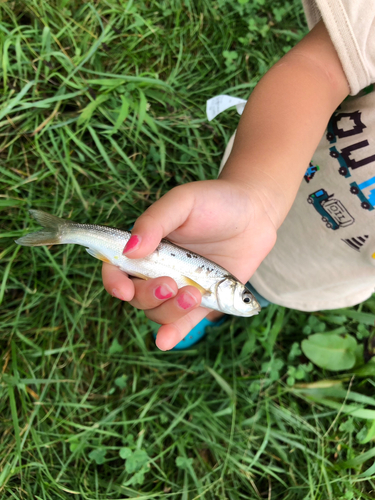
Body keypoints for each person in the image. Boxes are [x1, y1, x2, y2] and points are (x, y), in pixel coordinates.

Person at [102, 1, 375, 351]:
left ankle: (217, 307)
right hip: (273, 174)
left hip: (318, 272)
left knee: (258, 289)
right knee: (229, 275)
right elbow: (322, 66)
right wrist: (256, 190)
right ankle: (222, 297)